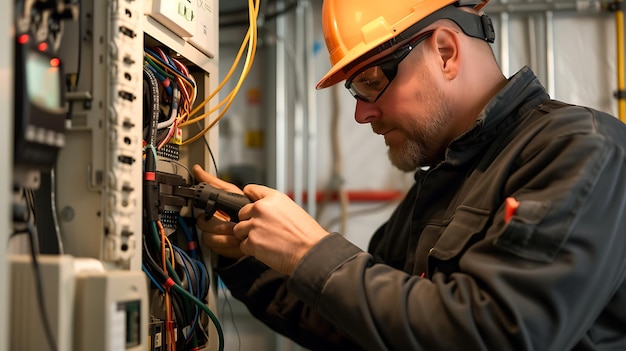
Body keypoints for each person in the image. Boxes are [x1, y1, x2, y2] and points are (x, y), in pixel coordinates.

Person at [193, 0, 626, 349]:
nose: (362, 113)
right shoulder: (443, 179)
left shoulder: (581, 149)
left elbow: (501, 334)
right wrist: (246, 257)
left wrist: (311, 250)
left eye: (370, 81)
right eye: (355, 91)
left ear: (445, 51)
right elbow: (359, 325)